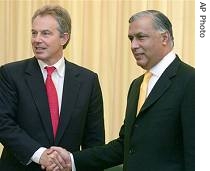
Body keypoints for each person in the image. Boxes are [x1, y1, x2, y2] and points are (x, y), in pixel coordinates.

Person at [44, 9, 195, 171]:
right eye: (131, 38)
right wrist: (72, 160)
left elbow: (196, 153)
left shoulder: (191, 81)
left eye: (141, 37)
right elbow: (125, 146)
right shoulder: (138, 85)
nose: (133, 45)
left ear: (164, 38)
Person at [0, 4, 105, 171]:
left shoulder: (88, 80)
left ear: (64, 38)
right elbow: (3, 123)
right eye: (34, 33)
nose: (37, 39)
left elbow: (94, 140)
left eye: (45, 33)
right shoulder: (10, 74)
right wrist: (40, 154)